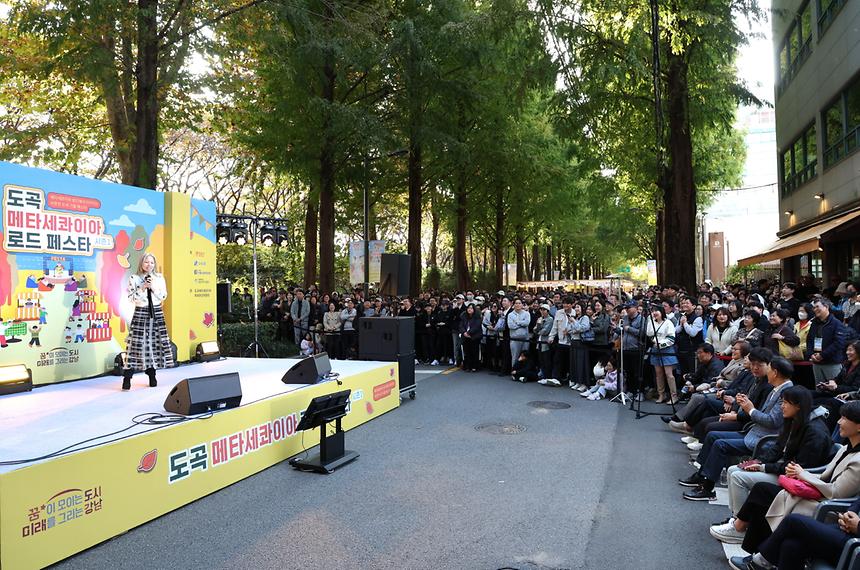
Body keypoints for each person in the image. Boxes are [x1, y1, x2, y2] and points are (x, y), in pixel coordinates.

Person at [728, 400, 860, 567]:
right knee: (770, 498)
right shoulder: (845, 448)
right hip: (823, 500)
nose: (839, 421)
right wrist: (799, 474)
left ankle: (757, 558)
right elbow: (825, 475)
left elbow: (836, 493)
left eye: (845, 418)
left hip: (828, 507)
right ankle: (754, 552)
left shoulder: (853, 457)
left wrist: (803, 475)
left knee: (779, 505)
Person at [710, 386, 831, 544]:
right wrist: (758, 461)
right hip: (783, 470)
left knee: (739, 477)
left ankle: (740, 527)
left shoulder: (815, 432)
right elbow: (777, 449)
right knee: (734, 470)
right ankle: (737, 519)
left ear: (798, 406)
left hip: (798, 479)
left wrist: (763, 467)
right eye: (782, 402)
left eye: (786, 403)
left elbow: (798, 468)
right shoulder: (793, 421)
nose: (782, 406)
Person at [680, 356, 795, 501]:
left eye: (769, 369)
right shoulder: (777, 389)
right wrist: (746, 406)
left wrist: (750, 409)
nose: (767, 373)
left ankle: (707, 487)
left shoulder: (786, 393)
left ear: (775, 372)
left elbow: (772, 421)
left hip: (764, 439)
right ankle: (702, 475)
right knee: (713, 436)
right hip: (754, 431)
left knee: (719, 443)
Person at [123, 253, 173, 390]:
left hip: (156, 312)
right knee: (135, 345)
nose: (149, 265)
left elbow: (163, 296)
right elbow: (131, 298)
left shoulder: (159, 278)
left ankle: (152, 375)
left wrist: (153, 288)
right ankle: (127, 377)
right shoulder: (134, 278)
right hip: (140, 311)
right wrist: (143, 287)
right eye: (146, 262)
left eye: (151, 262)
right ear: (141, 263)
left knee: (154, 344)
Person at [807, 297, 850, 383]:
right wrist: (811, 354)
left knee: (833, 390)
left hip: (832, 363)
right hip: (816, 363)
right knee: (819, 389)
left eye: (817, 307)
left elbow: (838, 343)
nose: (815, 309)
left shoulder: (837, 324)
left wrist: (822, 355)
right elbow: (809, 340)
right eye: (814, 307)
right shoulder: (814, 323)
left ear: (826, 307)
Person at [646, 304, 679, 404]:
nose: (654, 313)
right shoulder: (651, 322)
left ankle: (674, 395)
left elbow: (671, 338)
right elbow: (649, 334)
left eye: (657, 311)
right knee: (658, 373)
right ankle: (661, 394)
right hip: (655, 349)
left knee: (669, 374)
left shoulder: (668, 322)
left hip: (666, 349)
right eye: (653, 311)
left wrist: (661, 344)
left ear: (662, 312)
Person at [507, 299, 531, 367]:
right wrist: (521, 323)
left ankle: (523, 373)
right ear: (514, 305)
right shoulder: (510, 315)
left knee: (525, 357)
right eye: (516, 303)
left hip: (525, 339)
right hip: (514, 339)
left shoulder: (527, 313)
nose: (518, 305)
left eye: (519, 303)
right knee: (515, 357)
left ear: (522, 305)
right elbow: (511, 326)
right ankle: (514, 372)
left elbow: (527, 323)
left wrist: (517, 322)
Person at [459, 304, 482, 372]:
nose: (469, 309)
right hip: (465, 337)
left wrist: (469, 333)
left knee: (474, 352)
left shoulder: (477, 317)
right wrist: (464, 333)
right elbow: (461, 325)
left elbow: (476, 327)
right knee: (467, 352)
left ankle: (474, 366)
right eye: (468, 308)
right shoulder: (464, 316)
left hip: (474, 337)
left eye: (471, 308)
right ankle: (468, 366)